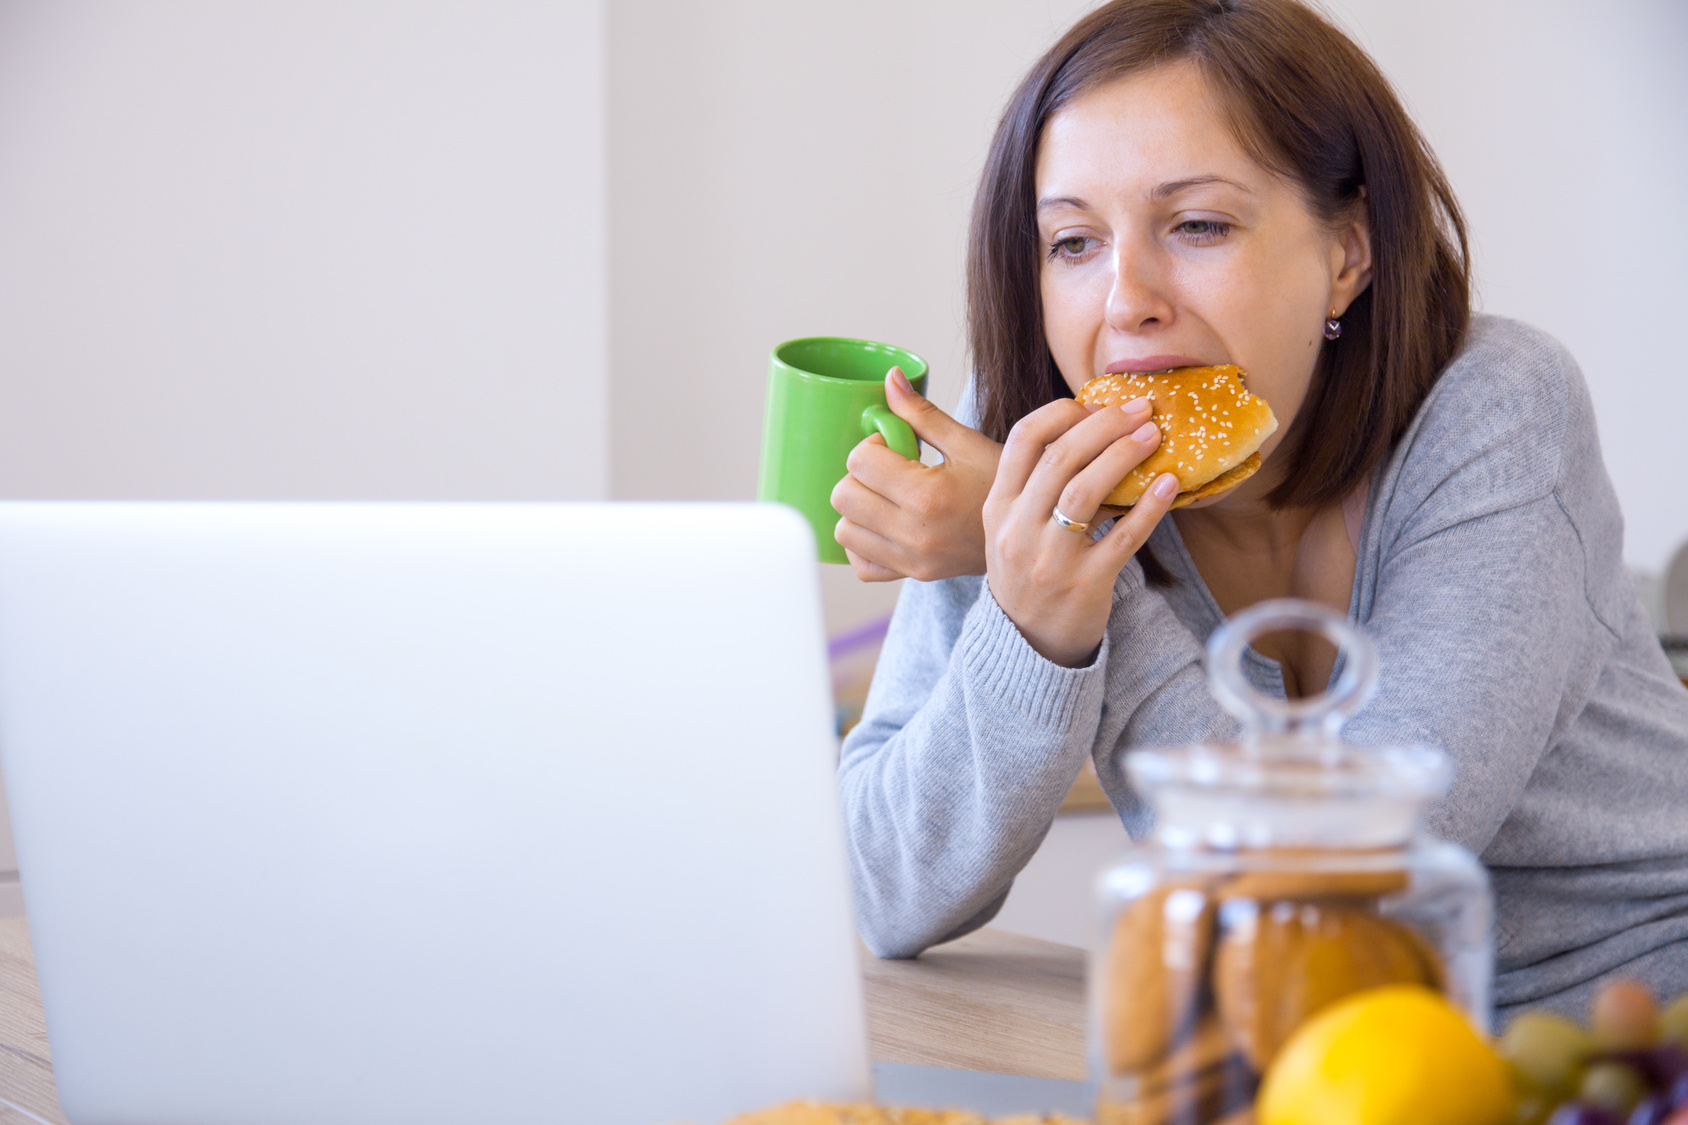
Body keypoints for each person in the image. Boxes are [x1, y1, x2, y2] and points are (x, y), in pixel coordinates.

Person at [833, 0, 1688, 1018]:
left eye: (1196, 225)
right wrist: (1029, 616)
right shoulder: (1022, 443)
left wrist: (1081, 560)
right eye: (1071, 242)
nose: (1124, 300)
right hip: (1306, 1047)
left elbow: (1342, 890)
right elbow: (883, 892)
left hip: (1626, 1029)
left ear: (1347, 254)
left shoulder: (1500, 406)